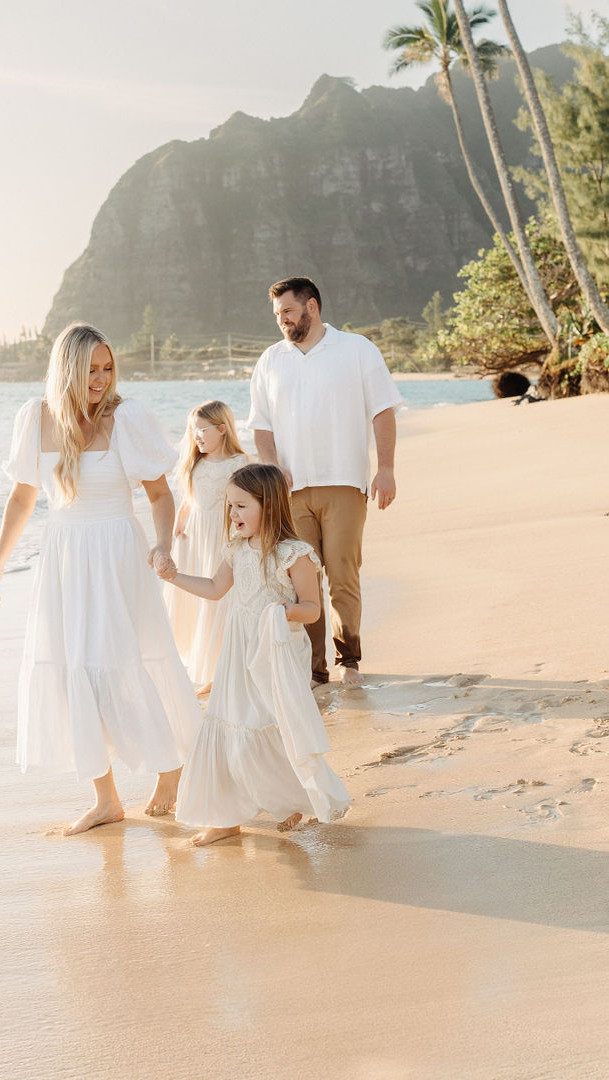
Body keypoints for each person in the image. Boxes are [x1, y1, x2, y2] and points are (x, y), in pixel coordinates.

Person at [0, 322, 201, 835]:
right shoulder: (34, 419)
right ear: (67, 370)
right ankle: (106, 799)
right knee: (72, 669)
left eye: (107, 368)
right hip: (64, 559)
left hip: (117, 555)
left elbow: (160, 494)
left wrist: (163, 544)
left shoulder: (127, 418)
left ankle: (170, 766)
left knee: (123, 660)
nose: (101, 380)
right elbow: (21, 498)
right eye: (90, 370)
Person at [157, 463, 351, 846]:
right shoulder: (237, 549)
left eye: (242, 506)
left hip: (276, 651)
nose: (233, 514)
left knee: (268, 726)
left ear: (270, 504)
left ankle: (288, 799)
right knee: (229, 725)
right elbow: (215, 588)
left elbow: (312, 608)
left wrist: (284, 611)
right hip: (238, 650)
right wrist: (173, 576)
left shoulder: (294, 554)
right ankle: (226, 817)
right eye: (230, 506)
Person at [249, 276, 402, 686]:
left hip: (344, 483)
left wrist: (384, 468)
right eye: (277, 314)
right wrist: (271, 466)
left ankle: (347, 659)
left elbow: (383, 410)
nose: (281, 320)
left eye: (288, 311)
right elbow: (261, 426)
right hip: (290, 491)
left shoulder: (356, 349)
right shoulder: (270, 360)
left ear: (311, 307)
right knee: (302, 582)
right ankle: (314, 670)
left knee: (343, 573)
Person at [165, 400, 249, 692]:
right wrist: (180, 518)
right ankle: (202, 665)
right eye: (192, 431)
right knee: (195, 600)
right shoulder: (196, 462)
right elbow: (192, 497)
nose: (195, 436)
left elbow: (246, 502)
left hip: (222, 538)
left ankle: (221, 671)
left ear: (222, 429)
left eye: (201, 430)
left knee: (221, 600)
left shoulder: (239, 463)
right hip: (194, 538)